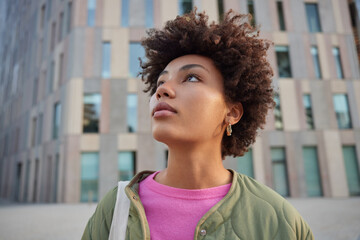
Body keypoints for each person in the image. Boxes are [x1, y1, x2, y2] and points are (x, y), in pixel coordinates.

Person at [82, 9, 314, 240]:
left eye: (191, 77)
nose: (162, 90)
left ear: (232, 112)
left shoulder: (277, 220)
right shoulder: (115, 209)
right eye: (160, 82)